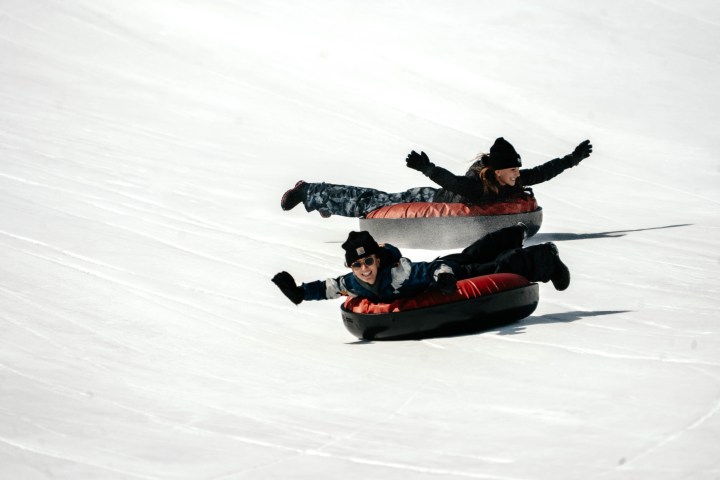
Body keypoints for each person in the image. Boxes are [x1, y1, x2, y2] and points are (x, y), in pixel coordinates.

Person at [280, 137, 592, 218]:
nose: (517, 174)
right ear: (498, 171)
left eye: (516, 169)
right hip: (427, 200)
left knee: (369, 199)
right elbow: (454, 184)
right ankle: (310, 192)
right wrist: (427, 168)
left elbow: (546, 171)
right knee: (369, 203)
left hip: (438, 197)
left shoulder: (515, 181)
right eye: (512, 169)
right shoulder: (478, 184)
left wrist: (573, 158)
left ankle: (326, 202)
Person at [271, 224, 571, 305]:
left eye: (369, 261)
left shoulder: (398, 273)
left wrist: (443, 280)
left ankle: (546, 257)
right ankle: (512, 233)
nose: (365, 268)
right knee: (473, 252)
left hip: (448, 274)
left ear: (377, 259)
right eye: (359, 264)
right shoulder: (353, 282)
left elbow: (430, 270)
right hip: (446, 266)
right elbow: (331, 287)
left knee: (493, 266)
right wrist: (299, 292)